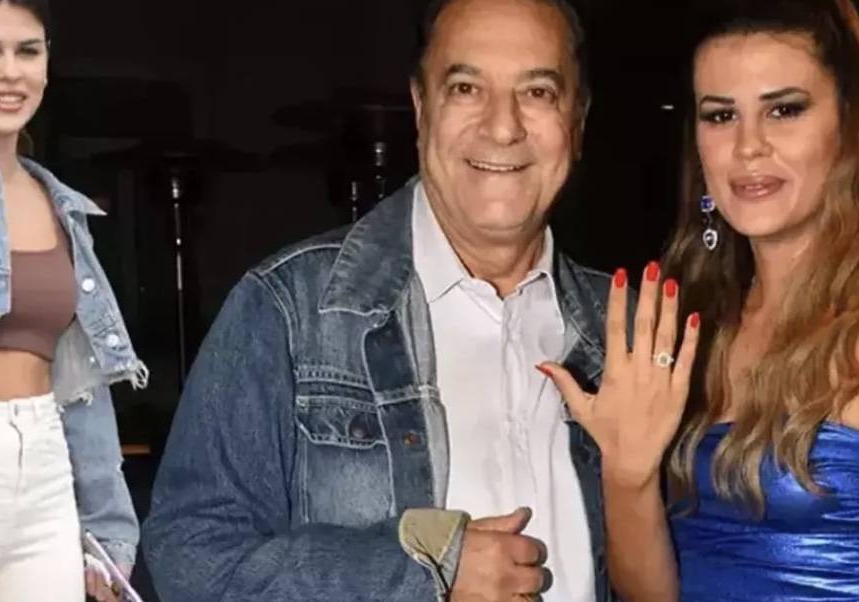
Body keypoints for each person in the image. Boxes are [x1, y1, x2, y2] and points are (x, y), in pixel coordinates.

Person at [142, 0, 625, 600]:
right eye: (466, 87)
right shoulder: (291, 310)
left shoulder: (628, 328)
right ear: (422, 108)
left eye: (538, 92)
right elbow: (189, 560)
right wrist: (421, 575)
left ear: (577, 120)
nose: (503, 127)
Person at [541, 0, 859, 600]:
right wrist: (627, 474)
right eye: (721, 116)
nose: (749, 146)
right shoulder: (690, 327)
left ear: (850, 127)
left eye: (784, 109)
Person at [0, 1, 147, 600]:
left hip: (46, 468)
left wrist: (109, 527)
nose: (10, 71)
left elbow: (82, 384)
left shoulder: (64, 206)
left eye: (28, 51)